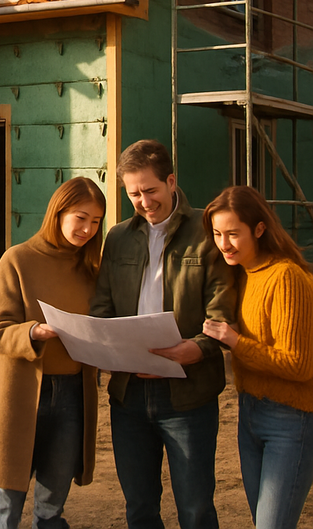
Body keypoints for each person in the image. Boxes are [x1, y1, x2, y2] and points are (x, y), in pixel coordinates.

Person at [89, 139, 235, 529]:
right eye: (133, 193)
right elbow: (101, 308)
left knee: (195, 508)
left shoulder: (208, 233)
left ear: (171, 182)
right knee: (139, 509)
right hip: (128, 396)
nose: (143, 201)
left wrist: (198, 350)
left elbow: (221, 313)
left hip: (189, 395)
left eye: (150, 190)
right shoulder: (117, 237)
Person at [0, 176, 105, 529]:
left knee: (51, 509)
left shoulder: (91, 269)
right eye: (81, 217)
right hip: (20, 395)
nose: (88, 229)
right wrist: (33, 331)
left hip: (73, 395)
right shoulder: (16, 260)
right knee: (4, 511)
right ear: (58, 211)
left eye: (96, 221)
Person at [202, 186, 313, 529]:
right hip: (248, 413)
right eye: (218, 234)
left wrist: (236, 342)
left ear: (260, 228)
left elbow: (298, 364)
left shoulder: (286, 277)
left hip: (291, 420)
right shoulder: (240, 274)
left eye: (233, 233)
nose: (224, 244)